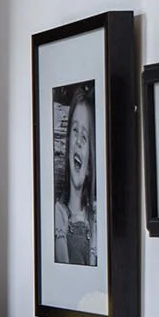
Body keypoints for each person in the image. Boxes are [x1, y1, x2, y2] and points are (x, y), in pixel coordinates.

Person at [54, 84, 97, 267]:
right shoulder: (60, 214)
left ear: (89, 166)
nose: (78, 141)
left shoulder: (94, 219)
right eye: (74, 130)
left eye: (85, 136)